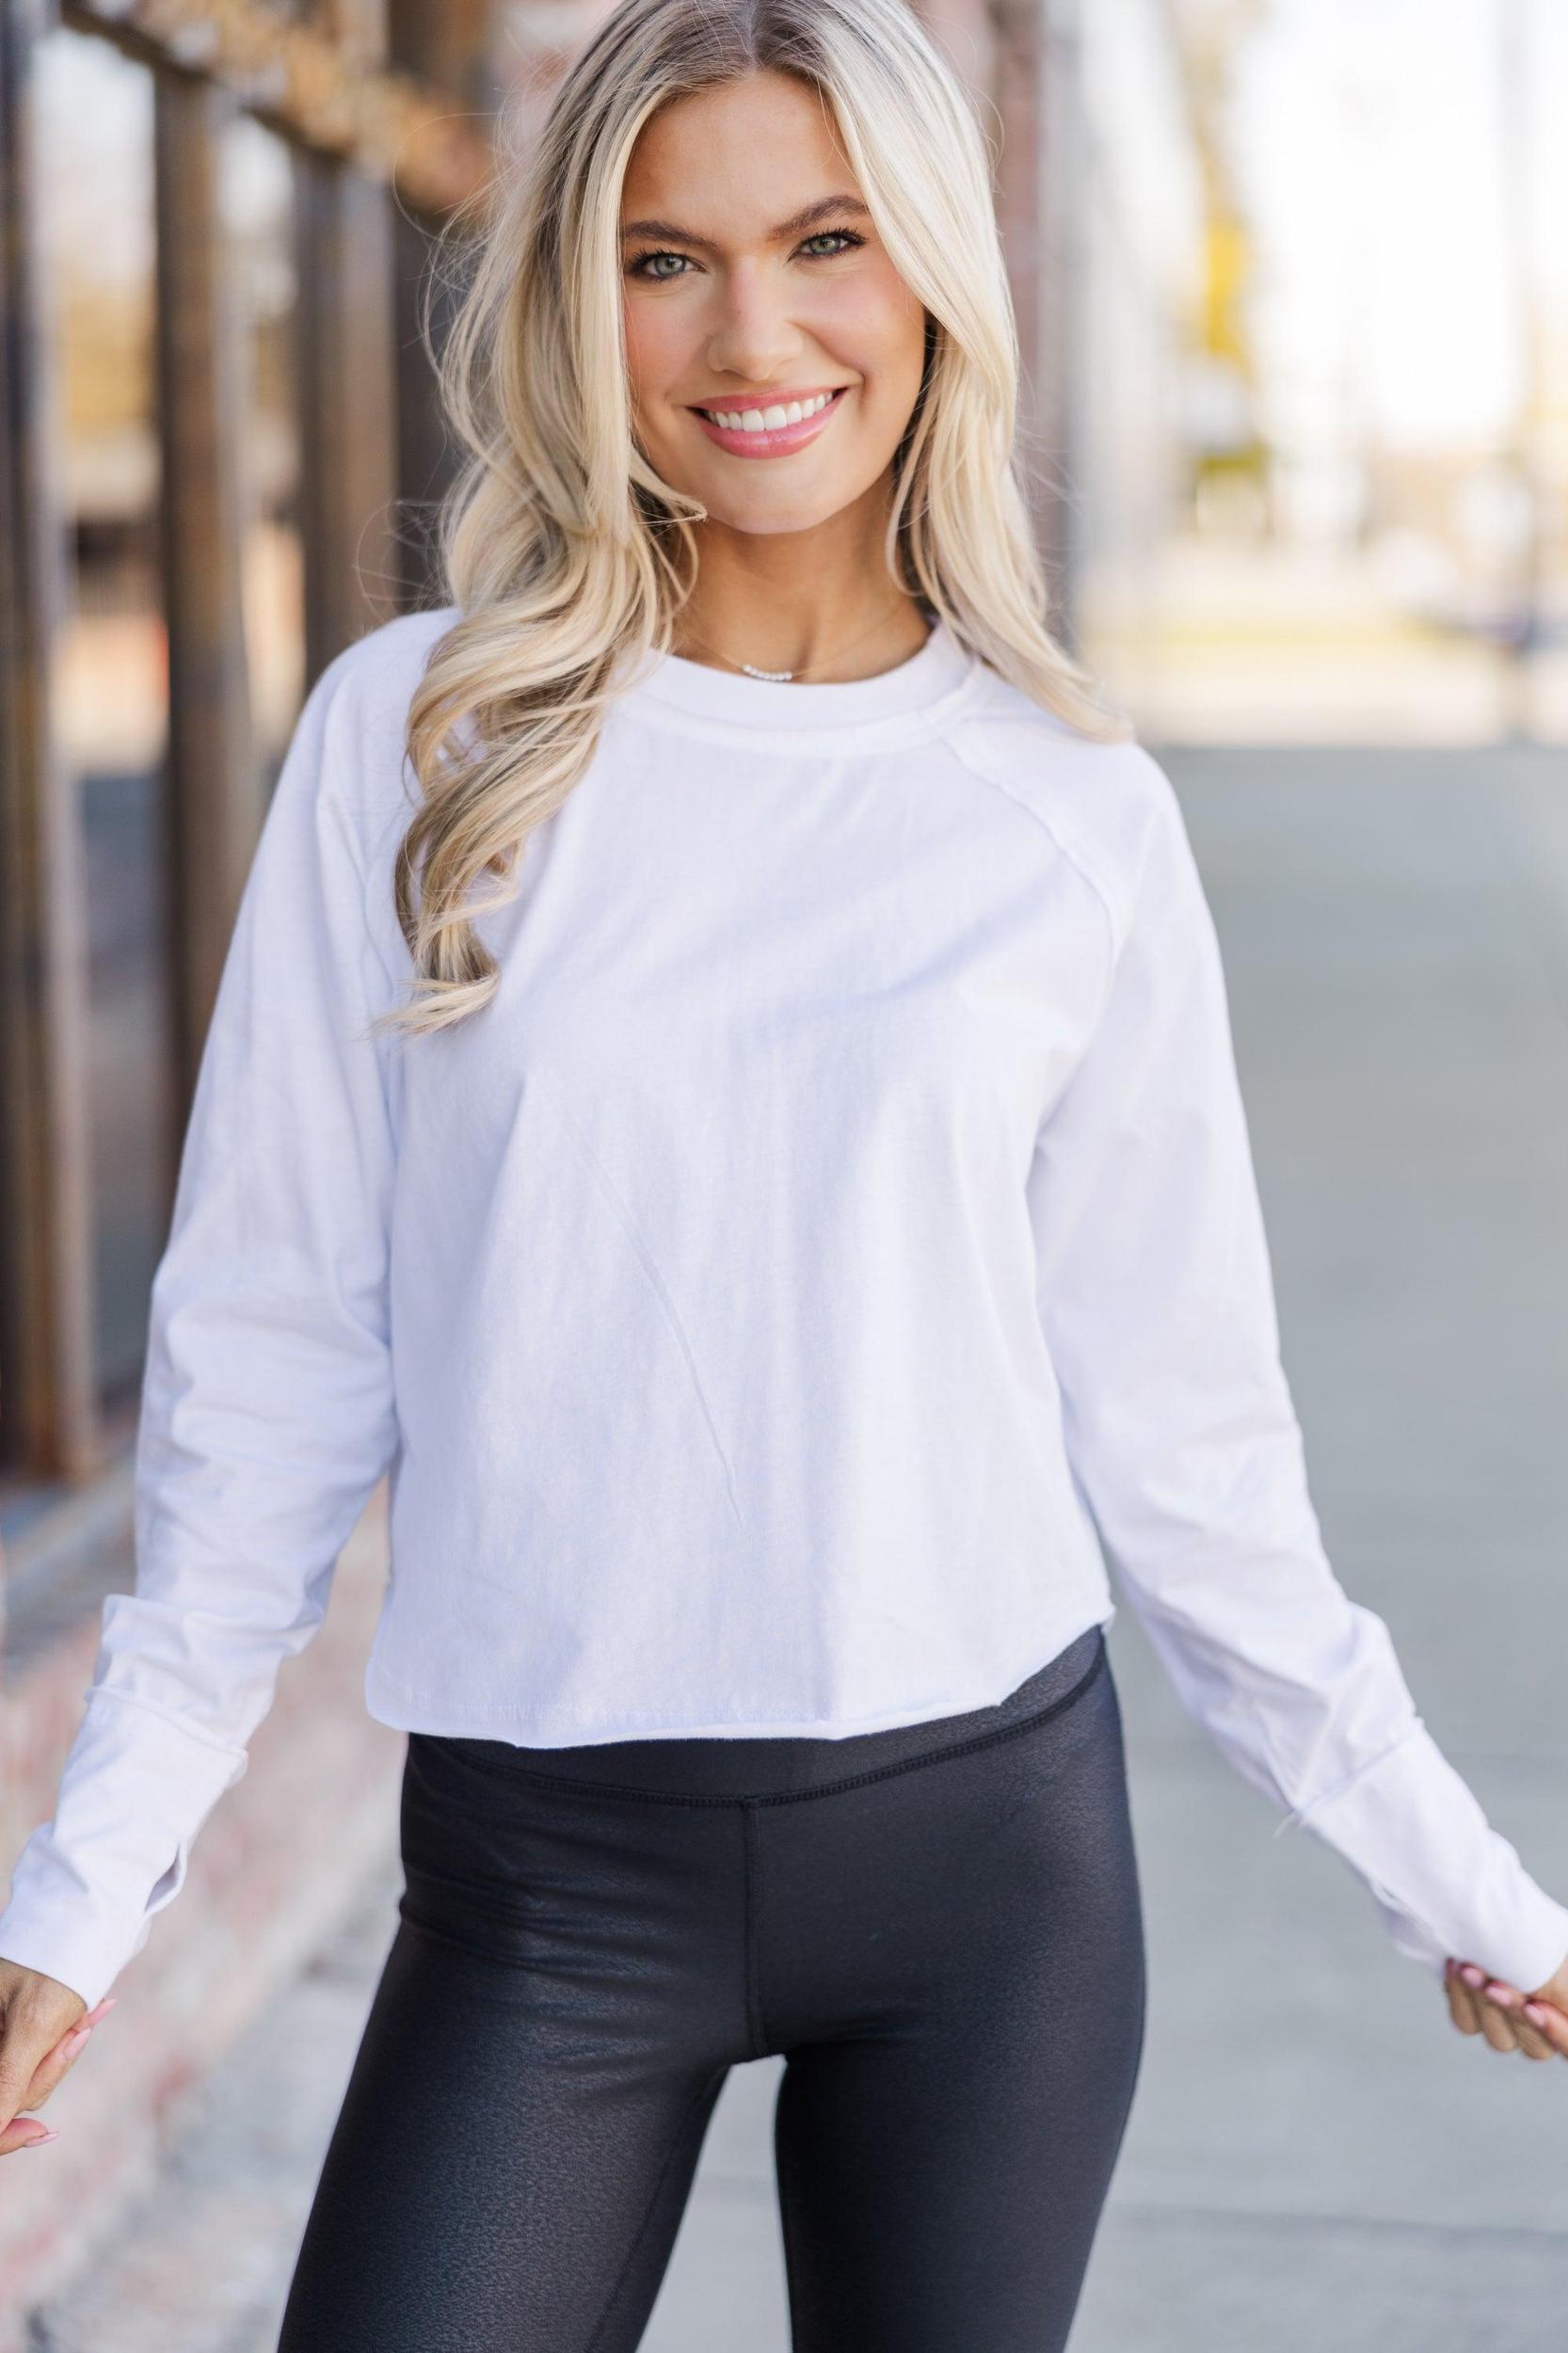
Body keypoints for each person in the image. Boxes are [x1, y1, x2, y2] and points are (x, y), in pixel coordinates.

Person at [2, 0, 1565, 2341]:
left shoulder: (1067, 816)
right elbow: (266, 1369)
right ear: (577, 301)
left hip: (983, 1886)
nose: (753, 337)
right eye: (665, 259)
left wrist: (1458, 1879)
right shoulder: (419, 748)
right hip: (545, 1881)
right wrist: (80, 1886)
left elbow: (1190, 1456)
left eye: (826, 242)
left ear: (933, 273)